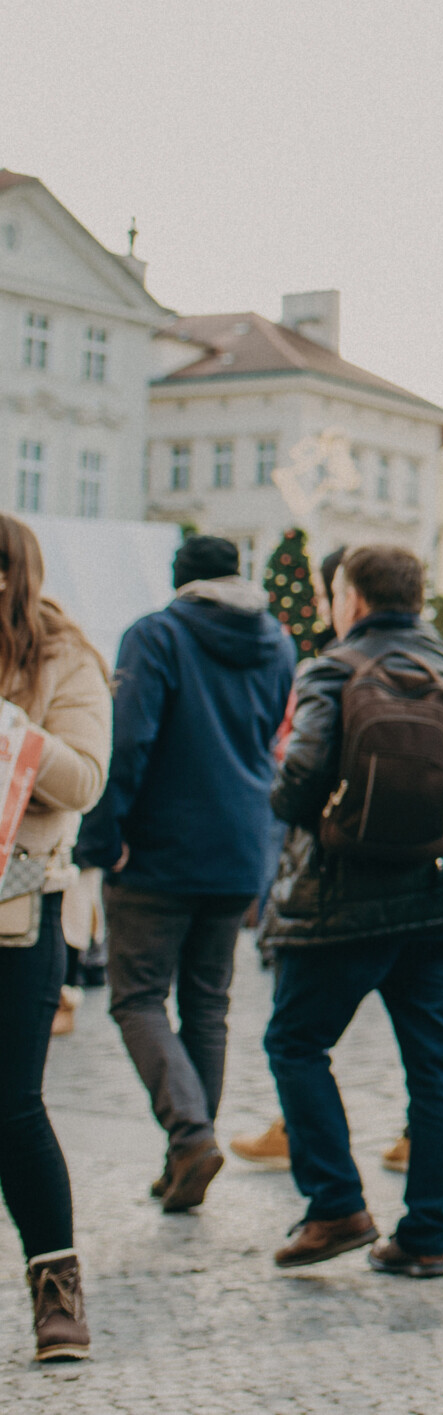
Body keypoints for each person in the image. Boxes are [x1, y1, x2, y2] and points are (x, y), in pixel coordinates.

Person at [266, 544, 443, 1277]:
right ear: (419, 597)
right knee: (433, 1067)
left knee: (295, 1042)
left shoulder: (331, 669)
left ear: (350, 597)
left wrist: (294, 799)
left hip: (344, 897)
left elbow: (299, 782)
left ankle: (336, 1204)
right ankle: (427, 1236)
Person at [73, 535, 294, 1218]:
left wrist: (100, 841)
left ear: (180, 580)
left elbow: (128, 744)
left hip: (158, 848)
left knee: (136, 995)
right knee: (207, 1004)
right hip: (237, 844)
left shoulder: (156, 636)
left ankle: (191, 1135)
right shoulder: (278, 643)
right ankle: (185, 1152)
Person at [0, 517, 110, 1361]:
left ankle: (57, 1291)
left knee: (11, 1106)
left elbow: (85, 780)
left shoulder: (63, 658)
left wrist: (8, 727)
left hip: (16, 914)